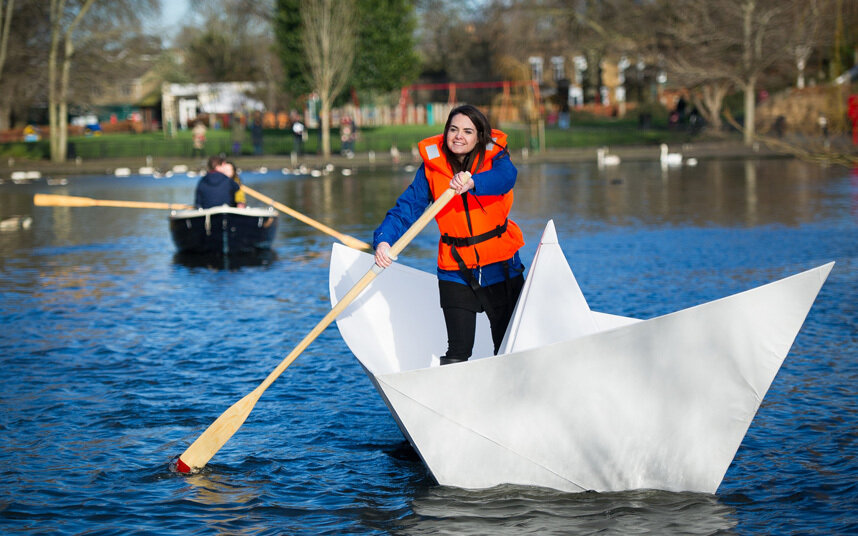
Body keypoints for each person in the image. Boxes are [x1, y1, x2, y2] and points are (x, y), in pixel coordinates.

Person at [373, 104, 525, 365]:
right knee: (457, 352)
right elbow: (407, 209)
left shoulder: (496, 159)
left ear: (479, 136)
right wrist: (383, 240)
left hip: (500, 266)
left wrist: (474, 182)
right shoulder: (432, 170)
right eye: (453, 129)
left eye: (467, 131)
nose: (458, 136)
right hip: (455, 269)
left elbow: (506, 178)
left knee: (507, 346)